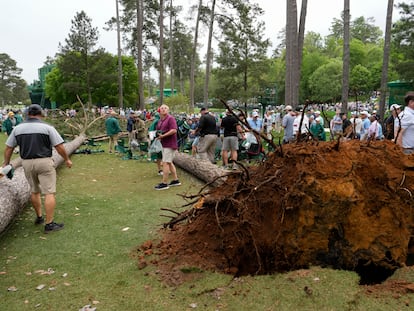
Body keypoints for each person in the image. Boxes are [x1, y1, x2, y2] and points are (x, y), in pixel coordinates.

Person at [2, 104, 72, 233]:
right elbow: (59, 147)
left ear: (27, 114)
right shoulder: (47, 128)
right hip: (44, 162)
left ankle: (39, 217)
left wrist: (6, 163)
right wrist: (66, 159)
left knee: (34, 191)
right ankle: (49, 224)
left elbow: (8, 148)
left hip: (26, 163)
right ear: (40, 114)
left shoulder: (17, 129)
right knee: (49, 192)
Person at [154, 104, 180, 190]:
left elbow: (174, 130)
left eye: (165, 108)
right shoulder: (160, 121)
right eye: (162, 108)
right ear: (159, 110)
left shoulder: (170, 118)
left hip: (170, 144)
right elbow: (159, 131)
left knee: (165, 162)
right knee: (169, 162)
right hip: (164, 144)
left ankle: (164, 183)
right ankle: (176, 180)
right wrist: (157, 135)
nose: (163, 109)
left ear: (168, 110)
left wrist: (163, 136)